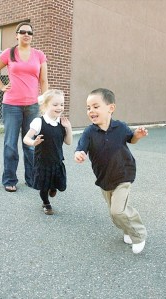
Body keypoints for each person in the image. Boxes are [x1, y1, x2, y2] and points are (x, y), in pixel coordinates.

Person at [74, 88, 147, 254]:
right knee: (115, 214)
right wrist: (79, 154)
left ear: (110, 108)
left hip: (124, 174)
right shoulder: (89, 132)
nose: (91, 110)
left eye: (95, 106)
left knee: (118, 211)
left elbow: (131, 139)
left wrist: (137, 135)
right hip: (104, 179)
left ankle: (139, 234)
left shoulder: (120, 127)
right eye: (88, 108)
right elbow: (81, 148)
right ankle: (128, 230)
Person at [0, 21, 48, 192]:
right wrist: (1, 86)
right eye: (22, 32)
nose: (26, 35)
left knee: (30, 144)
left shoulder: (39, 55)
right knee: (10, 144)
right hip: (11, 105)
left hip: (32, 106)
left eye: (29, 32)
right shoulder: (9, 53)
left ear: (32, 36)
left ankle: (31, 179)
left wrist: (45, 103)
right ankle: (9, 179)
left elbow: (43, 81)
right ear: (17, 35)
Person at [23, 89, 72, 215]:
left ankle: (53, 187)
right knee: (44, 185)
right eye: (55, 105)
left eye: (61, 104)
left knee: (58, 182)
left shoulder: (62, 122)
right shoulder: (39, 122)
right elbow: (26, 138)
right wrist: (33, 142)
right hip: (43, 162)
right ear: (45, 106)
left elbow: (68, 142)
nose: (59, 107)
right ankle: (46, 203)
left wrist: (69, 128)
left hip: (57, 160)